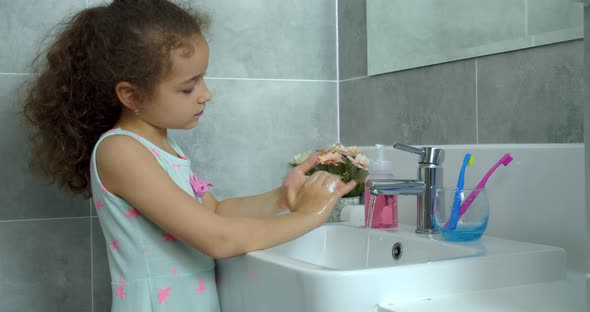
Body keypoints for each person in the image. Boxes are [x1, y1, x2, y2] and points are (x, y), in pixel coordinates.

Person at [21, 0, 356, 311]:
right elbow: (217, 238)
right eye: (188, 87)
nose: (206, 94)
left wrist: (283, 197)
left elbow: (215, 212)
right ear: (132, 96)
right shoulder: (120, 151)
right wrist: (308, 217)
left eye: (203, 80)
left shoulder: (165, 147)